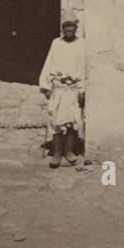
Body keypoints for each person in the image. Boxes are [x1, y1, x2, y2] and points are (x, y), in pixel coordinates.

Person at [40, 12, 87, 169]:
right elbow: (48, 64)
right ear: (62, 28)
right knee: (57, 121)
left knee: (73, 121)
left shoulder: (82, 44)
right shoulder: (56, 43)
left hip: (73, 89)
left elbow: (85, 68)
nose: (69, 29)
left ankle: (69, 151)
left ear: (76, 27)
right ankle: (58, 152)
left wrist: (82, 89)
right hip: (59, 89)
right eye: (66, 26)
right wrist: (46, 86)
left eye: (71, 26)